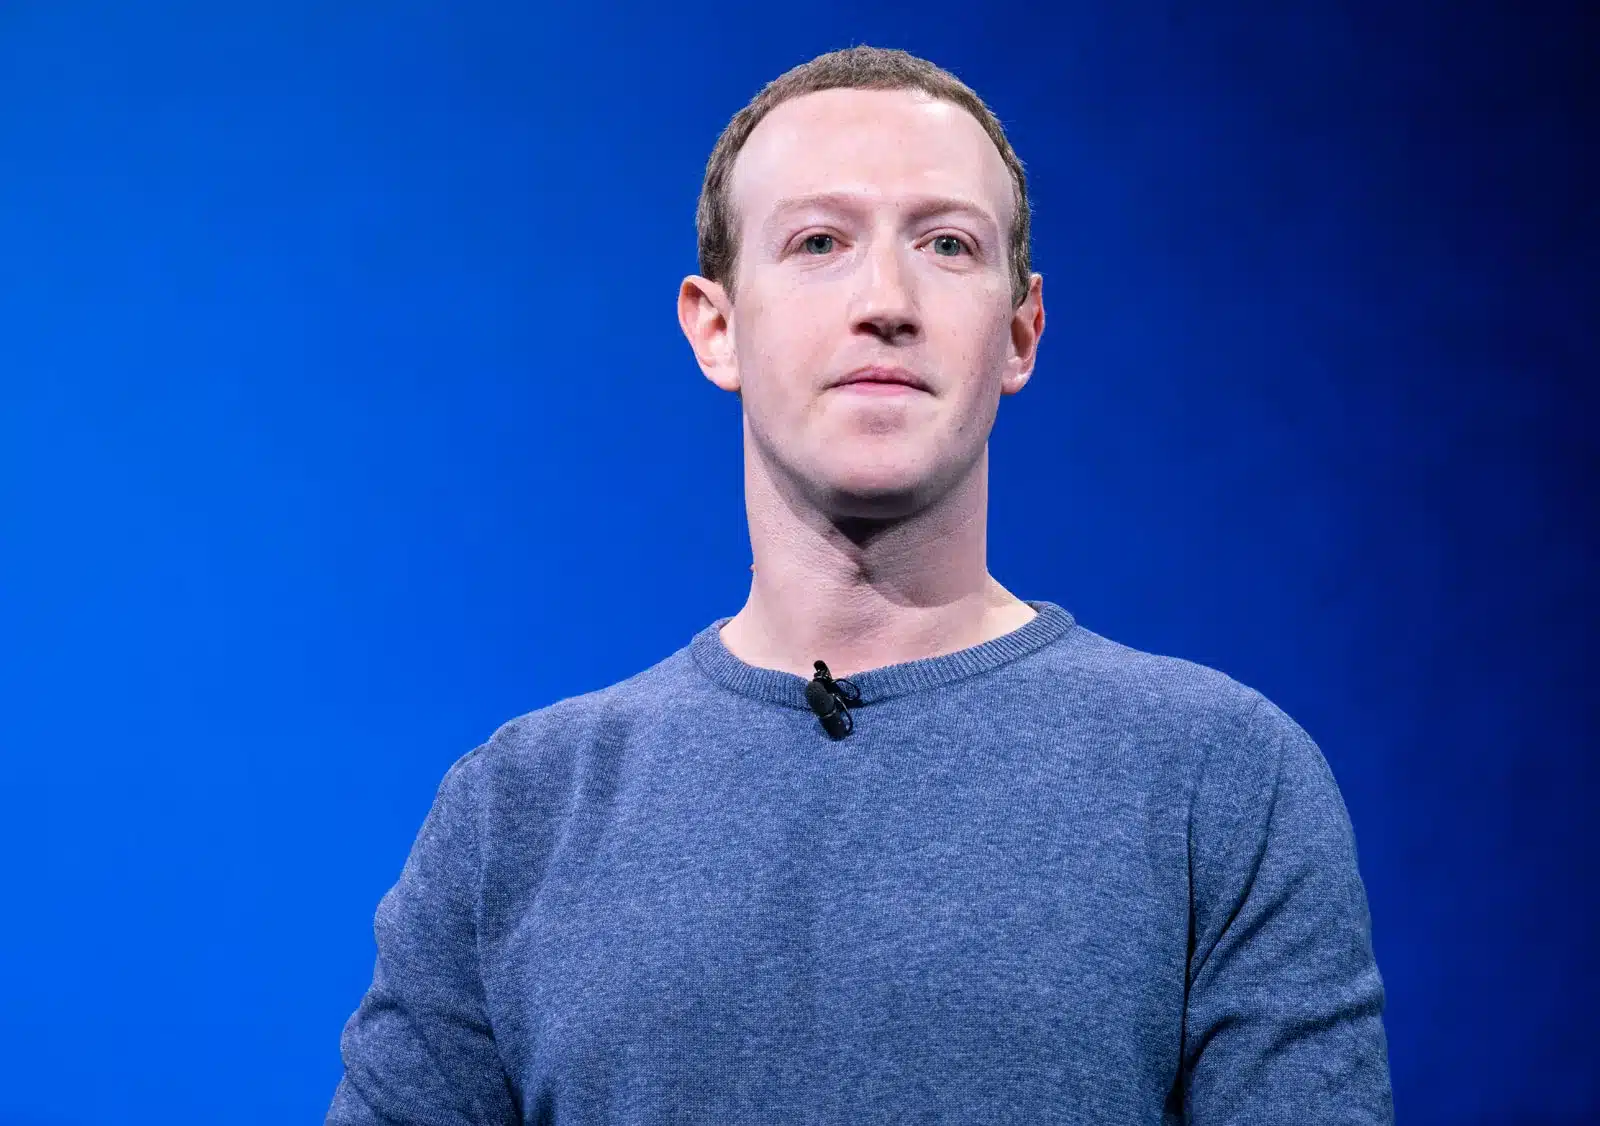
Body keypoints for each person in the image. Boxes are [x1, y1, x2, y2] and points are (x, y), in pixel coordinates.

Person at [327, 45, 1392, 1125]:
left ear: (1020, 330)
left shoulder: (1220, 779)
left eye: (944, 244)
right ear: (716, 325)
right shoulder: (515, 812)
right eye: (819, 242)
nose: (886, 299)